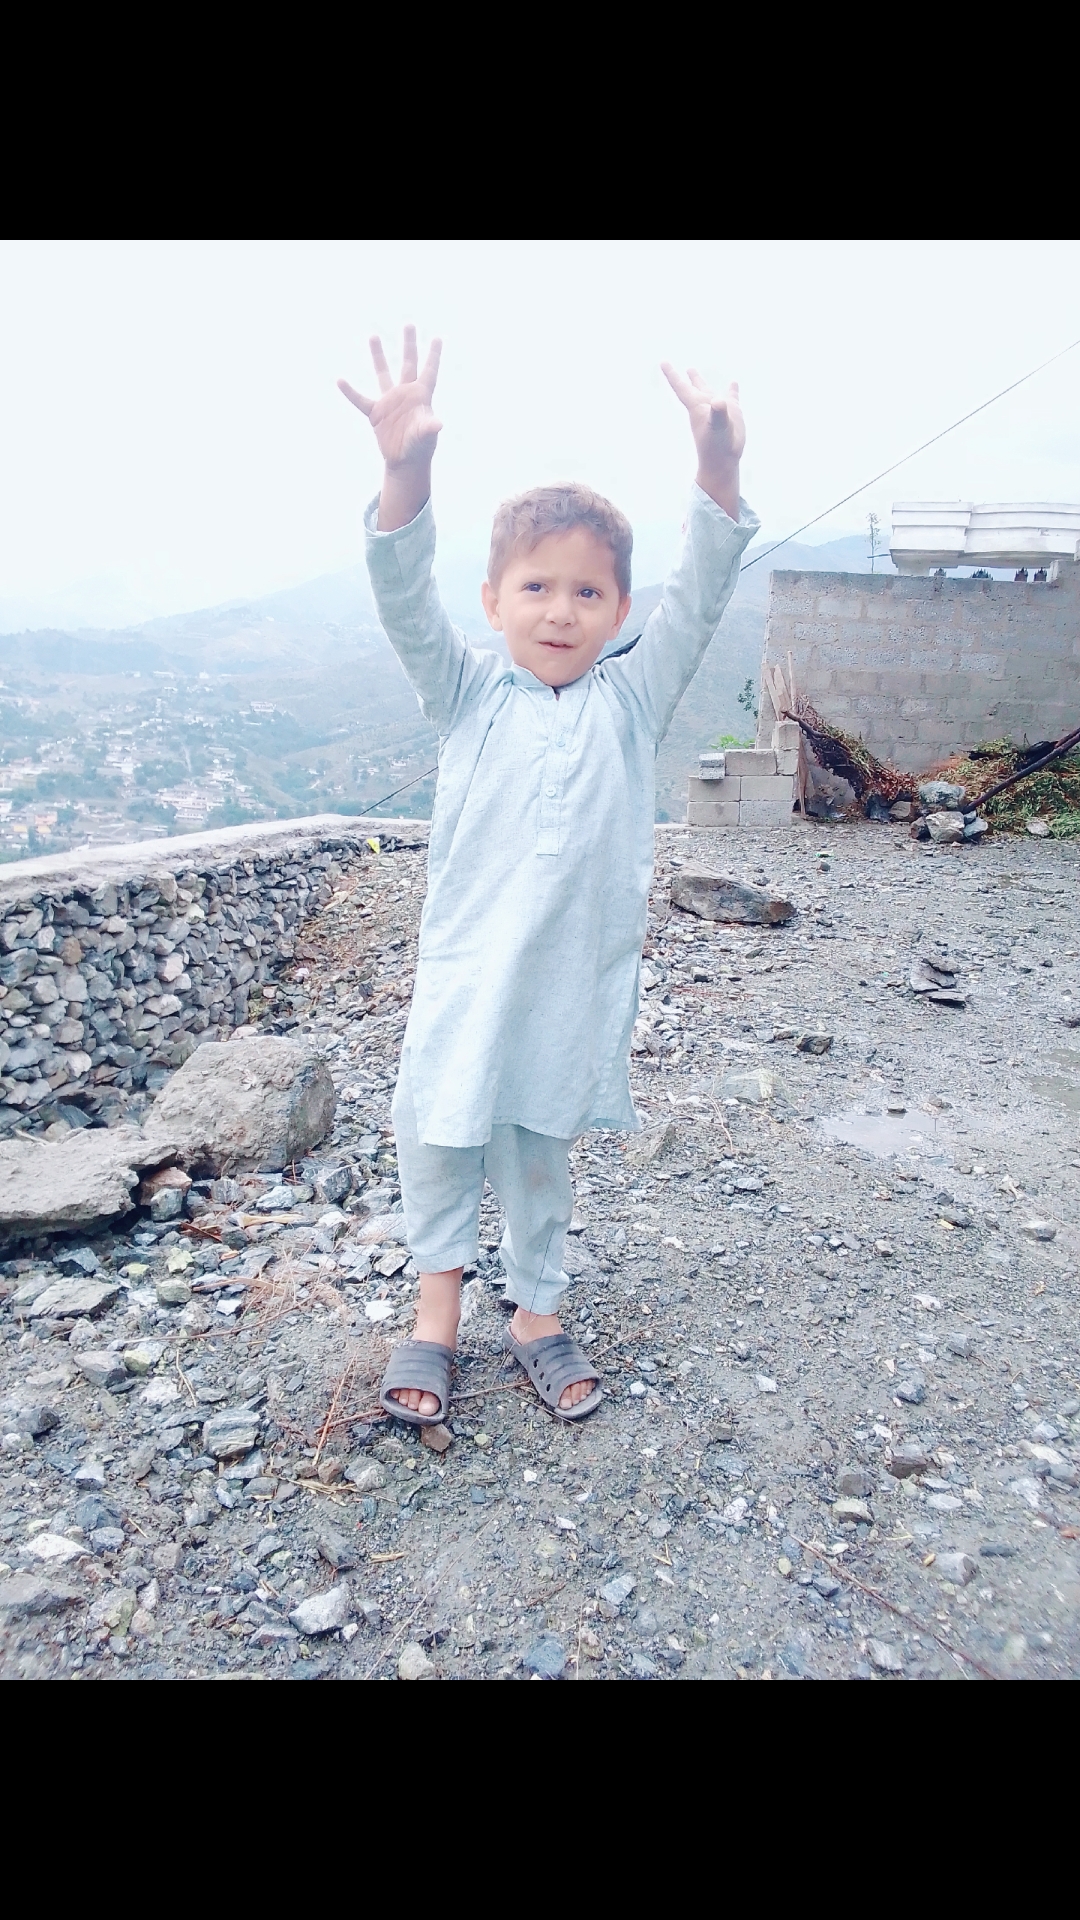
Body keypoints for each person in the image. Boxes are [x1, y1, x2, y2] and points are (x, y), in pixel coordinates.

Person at [338, 328, 757, 1424]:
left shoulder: (633, 701)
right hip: (467, 974)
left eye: (586, 591)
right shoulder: (466, 694)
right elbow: (402, 599)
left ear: (619, 610)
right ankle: (436, 1312)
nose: (561, 610)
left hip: (571, 982)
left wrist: (717, 469)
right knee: (440, 1132)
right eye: (536, 586)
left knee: (537, 1148)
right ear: (493, 601)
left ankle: (535, 1310)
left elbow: (702, 596)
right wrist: (406, 472)